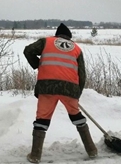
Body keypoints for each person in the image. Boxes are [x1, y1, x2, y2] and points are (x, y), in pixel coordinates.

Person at [23, 23, 97, 163]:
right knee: (77, 118)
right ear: (69, 37)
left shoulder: (46, 41)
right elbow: (82, 74)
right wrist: (77, 93)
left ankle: (35, 155)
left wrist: (38, 65)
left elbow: (28, 51)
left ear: (57, 35)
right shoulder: (77, 48)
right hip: (69, 89)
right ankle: (92, 150)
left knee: (42, 119)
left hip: (47, 87)